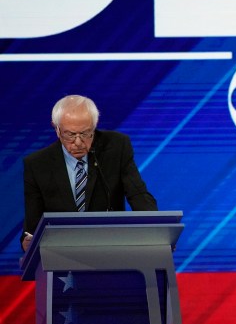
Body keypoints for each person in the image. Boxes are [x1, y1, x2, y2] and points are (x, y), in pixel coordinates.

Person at [21, 95, 158, 251]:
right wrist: (28, 241)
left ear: (94, 125)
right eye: (70, 134)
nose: (78, 142)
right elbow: (32, 224)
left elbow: (138, 194)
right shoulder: (37, 164)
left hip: (110, 247)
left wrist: (155, 230)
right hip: (61, 253)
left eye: (86, 133)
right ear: (56, 129)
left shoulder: (117, 147)